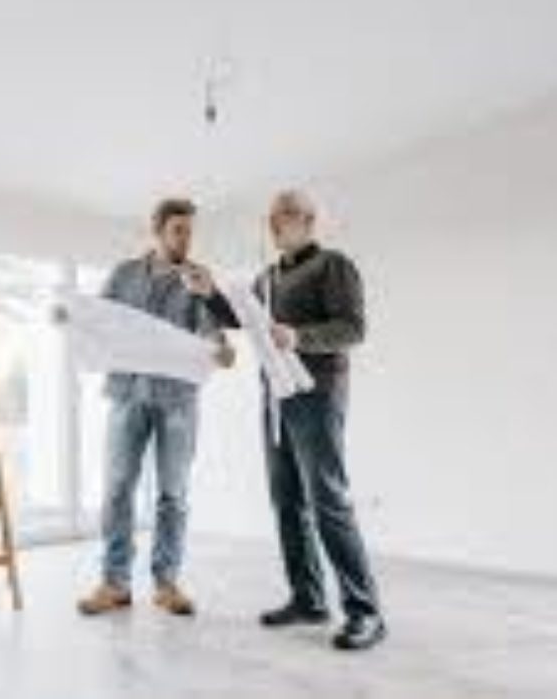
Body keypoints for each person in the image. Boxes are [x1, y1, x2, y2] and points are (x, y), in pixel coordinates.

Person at [183, 189, 387, 650]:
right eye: (272, 218)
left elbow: (353, 328)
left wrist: (298, 336)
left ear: (309, 220)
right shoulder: (268, 277)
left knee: (327, 500)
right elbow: (241, 317)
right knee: (287, 499)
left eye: (287, 216)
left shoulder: (333, 265)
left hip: (317, 394)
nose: (276, 224)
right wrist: (209, 293)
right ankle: (308, 598)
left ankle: (365, 611)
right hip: (275, 398)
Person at [77, 197, 234, 617]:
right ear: (158, 231)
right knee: (117, 489)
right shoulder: (123, 274)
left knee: (172, 494)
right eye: (179, 230)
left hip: (178, 401)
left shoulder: (199, 280)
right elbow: (98, 320)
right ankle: (114, 583)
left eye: (190, 230)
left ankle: (166, 584)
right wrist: (71, 317)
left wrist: (221, 349)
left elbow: (216, 338)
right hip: (127, 394)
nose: (187, 238)